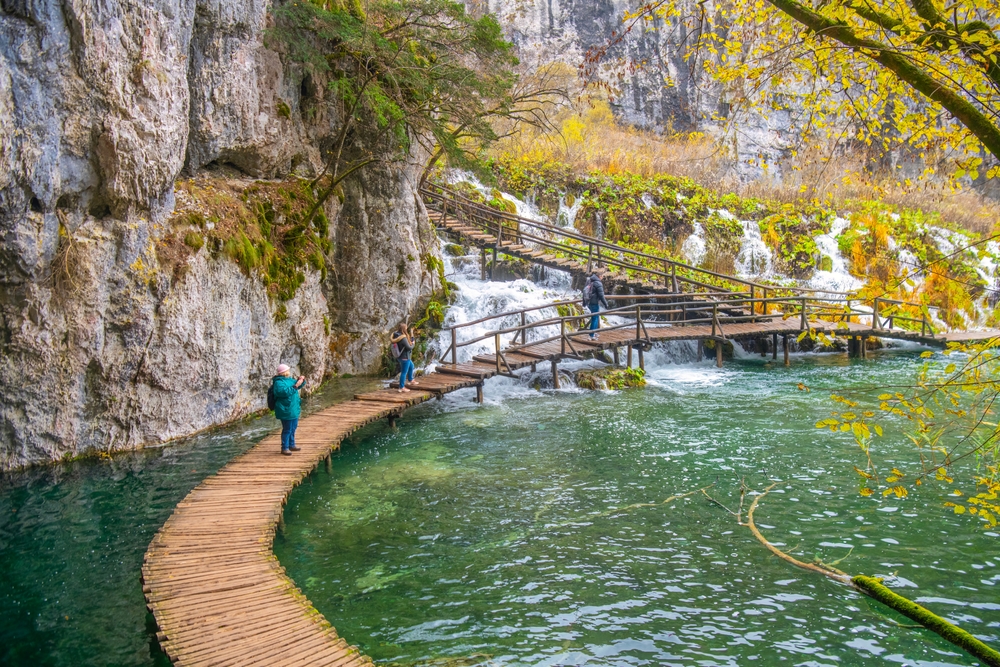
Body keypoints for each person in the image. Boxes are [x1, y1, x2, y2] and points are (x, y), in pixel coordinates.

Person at [271, 364, 306, 456]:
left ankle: (291, 445)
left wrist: (301, 380)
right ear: (283, 372)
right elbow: (283, 392)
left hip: (293, 408)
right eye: (287, 370)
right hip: (285, 409)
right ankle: (284, 447)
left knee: (293, 428)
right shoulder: (278, 383)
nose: (289, 371)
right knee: (287, 429)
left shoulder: (289, 380)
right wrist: (295, 386)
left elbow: (298, 385)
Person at [390, 323, 420, 393]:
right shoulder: (403, 338)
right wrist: (413, 344)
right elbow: (409, 348)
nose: (407, 328)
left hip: (400, 356)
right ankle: (401, 387)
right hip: (405, 357)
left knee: (411, 366)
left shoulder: (396, 334)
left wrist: (412, 333)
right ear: (404, 329)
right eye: (406, 327)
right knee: (404, 372)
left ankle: (410, 380)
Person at [583, 273, 609, 339]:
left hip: (589, 302)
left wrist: (584, 302)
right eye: (602, 275)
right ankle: (591, 335)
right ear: (599, 276)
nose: (602, 277)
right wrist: (605, 304)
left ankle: (593, 332)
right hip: (594, 303)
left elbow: (585, 291)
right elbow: (601, 295)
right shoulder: (598, 283)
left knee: (593, 317)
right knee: (595, 318)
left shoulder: (590, 280)